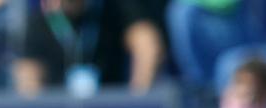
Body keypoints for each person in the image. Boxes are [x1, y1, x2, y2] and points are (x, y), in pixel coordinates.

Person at [12, 0, 165, 96]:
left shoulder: (113, 7)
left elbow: (148, 46)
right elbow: (28, 82)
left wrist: (137, 96)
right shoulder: (39, 21)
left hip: (112, 106)